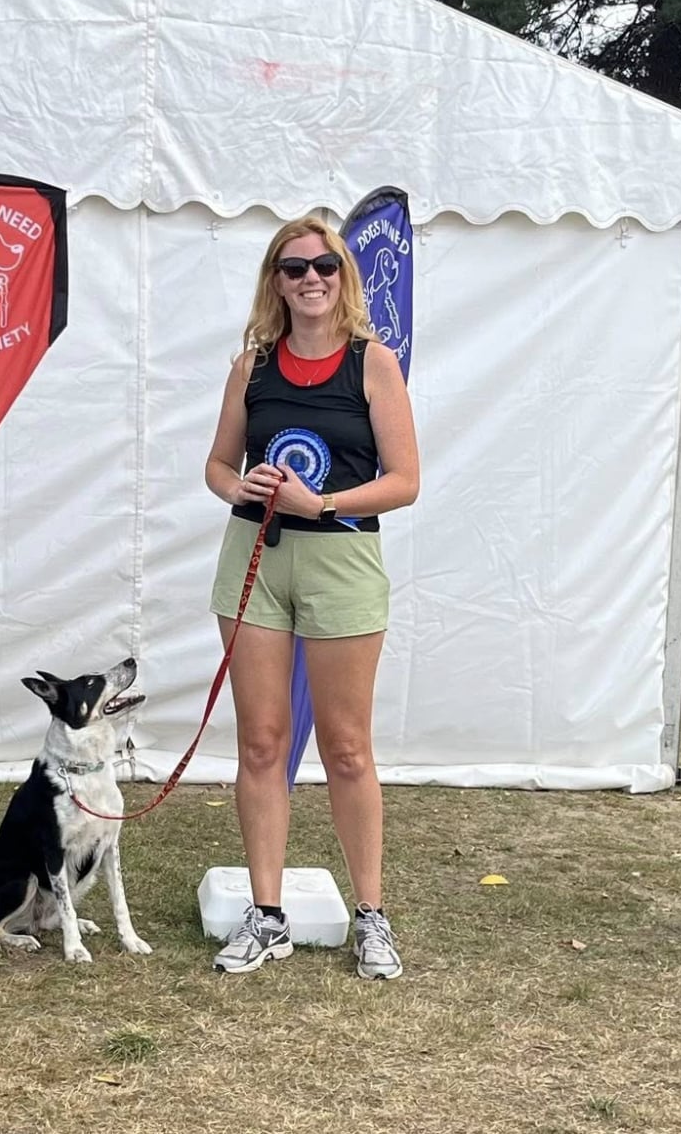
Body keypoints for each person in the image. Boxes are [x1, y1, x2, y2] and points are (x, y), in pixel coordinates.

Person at [203, 216, 420, 980]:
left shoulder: (373, 363)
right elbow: (218, 465)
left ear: (343, 275)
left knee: (347, 746)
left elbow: (405, 481)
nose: (311, 279)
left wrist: (320, 503)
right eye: (294, 268)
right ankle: (267, 914)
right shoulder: (253, 365)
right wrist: (244, 486)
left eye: (324, 265)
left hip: (341, 559)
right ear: (276, 280)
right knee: (261, 742)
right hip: (256, 558)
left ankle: (372, 914)